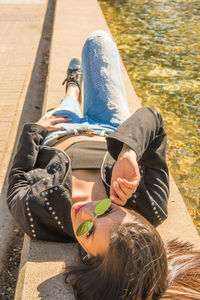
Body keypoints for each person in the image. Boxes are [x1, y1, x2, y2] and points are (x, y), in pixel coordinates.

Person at [7, 31, 200, 299]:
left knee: (66, 108)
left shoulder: (39, 216)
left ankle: (72, 89)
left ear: (87, 255)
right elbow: (152, 119)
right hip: (110, 126)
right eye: (104, 209)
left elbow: (16, 179)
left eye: (87, 230)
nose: (84, 211)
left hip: (61, 133)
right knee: (98, 40)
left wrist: (35, 131)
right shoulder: (151, 206)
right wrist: (128, 152)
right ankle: (72, 94)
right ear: (136, 216)